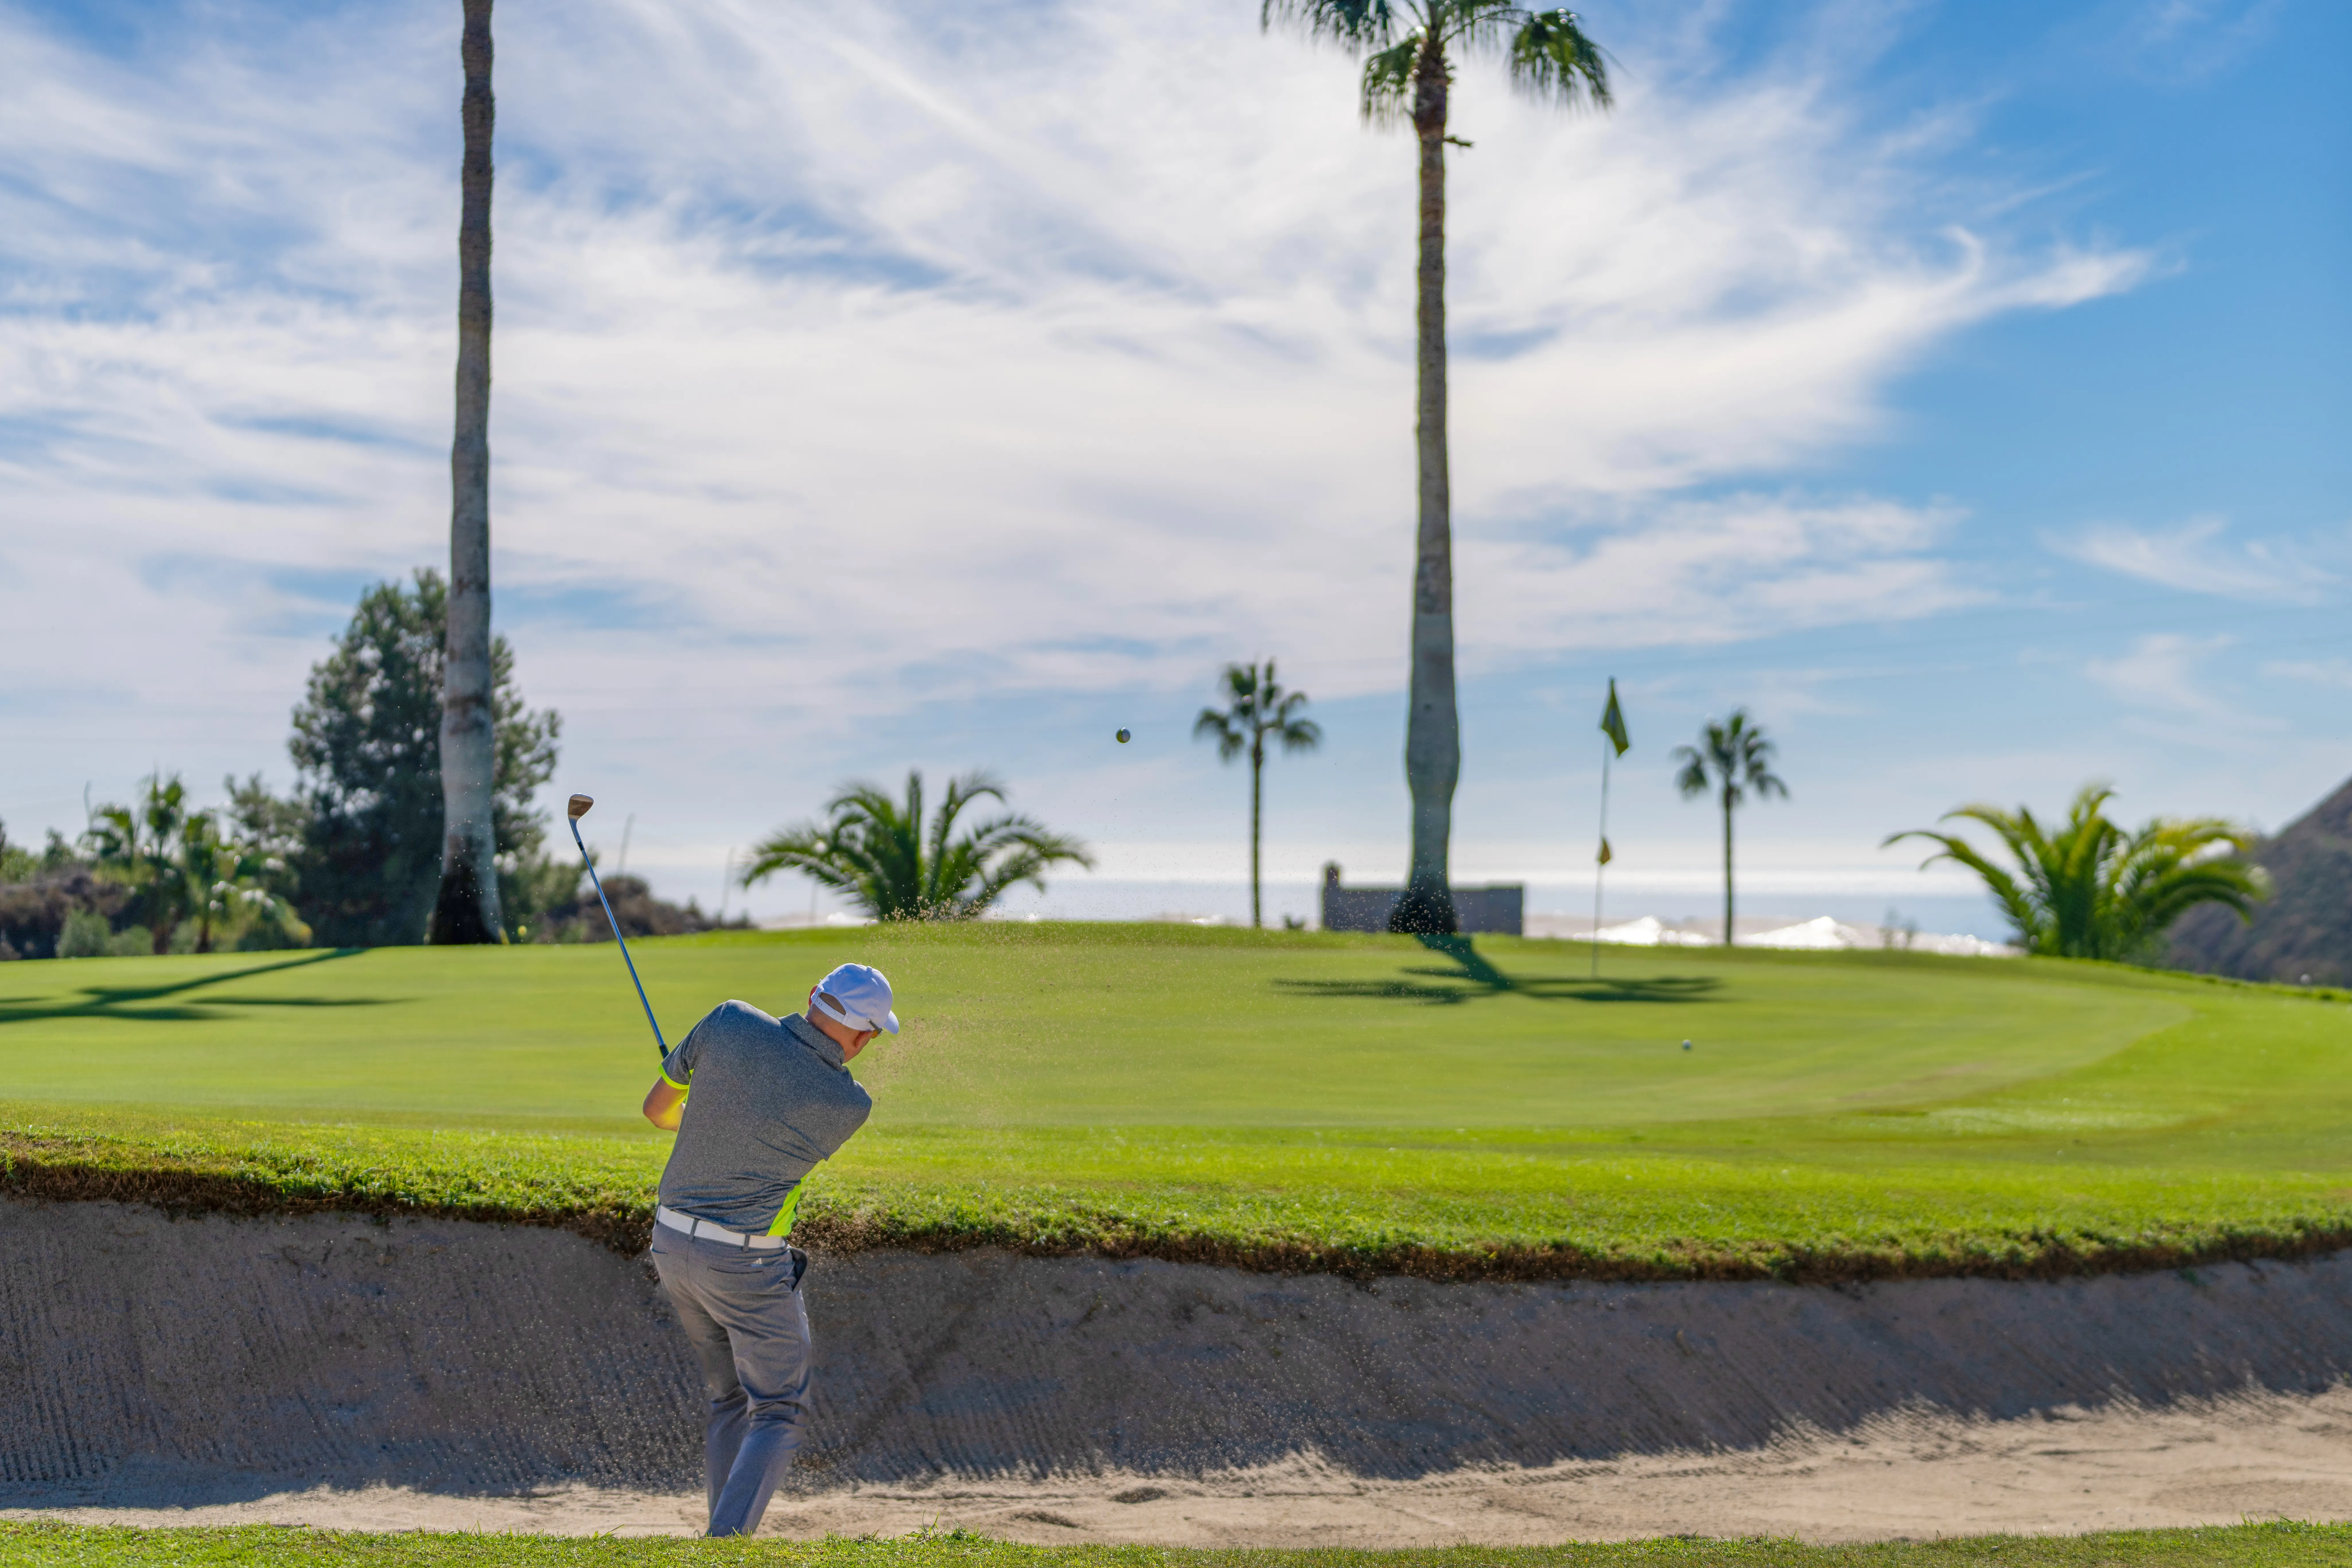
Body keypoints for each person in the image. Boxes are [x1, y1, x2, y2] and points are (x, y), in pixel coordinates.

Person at [639, 961, 893, 1537]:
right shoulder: (849, 1105)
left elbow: (658, 1112)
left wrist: (700, 1113)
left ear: (813, 996)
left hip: (671, 1244)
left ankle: (722, 1531)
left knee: (729, 1397)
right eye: (871, 1036)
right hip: (744, 1266)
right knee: (779, 1409)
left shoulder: (727, 1020)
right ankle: (725, 1546)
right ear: (862, 1036)